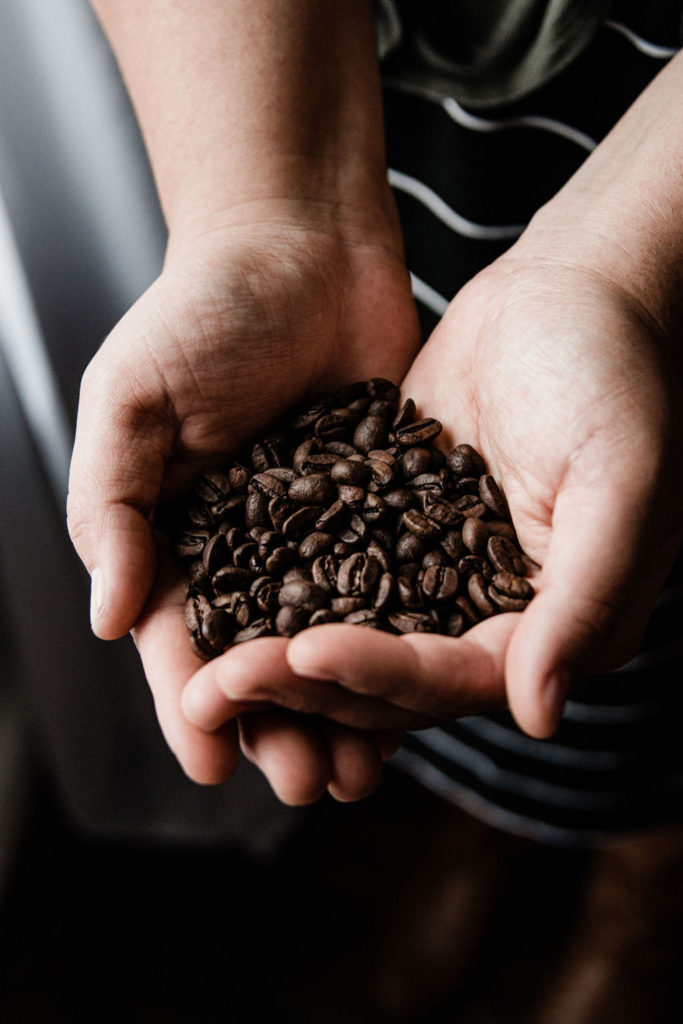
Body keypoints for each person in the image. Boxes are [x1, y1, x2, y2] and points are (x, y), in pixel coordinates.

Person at [67, 2, 683, 1016]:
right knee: (494, 651)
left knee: (636, 634)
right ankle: (493, 818)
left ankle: (641, 885)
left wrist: (626, 267)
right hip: (325, 97)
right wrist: (264, 201)